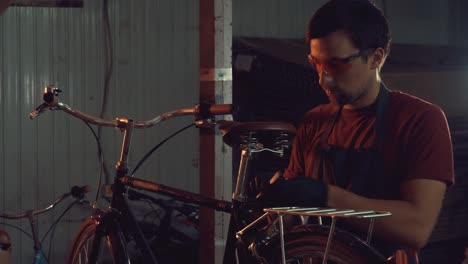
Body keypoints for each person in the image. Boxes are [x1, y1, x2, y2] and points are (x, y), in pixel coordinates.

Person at [260, 0, 455, 263]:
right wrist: (275, 207)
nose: (323, 78)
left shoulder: (420, 120)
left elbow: (416, 227)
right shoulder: (313, 122)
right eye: (316, 63)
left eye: (337, 64)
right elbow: (293, 219)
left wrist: (326, 196)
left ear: (376, 57)